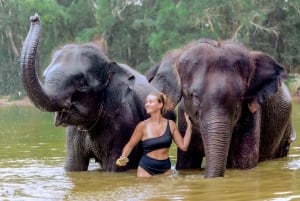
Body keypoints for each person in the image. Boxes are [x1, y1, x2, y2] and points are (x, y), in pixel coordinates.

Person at [116, 92, 192, 177]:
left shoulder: (171, 125)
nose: (147, 104)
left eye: (150, 102)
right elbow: (130, 145)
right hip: (146, 168)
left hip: (165, 168)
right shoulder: (142, 126)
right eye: (146, 102)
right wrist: (122, 157)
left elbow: (184, 146)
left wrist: (189, 126)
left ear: (160, 104)